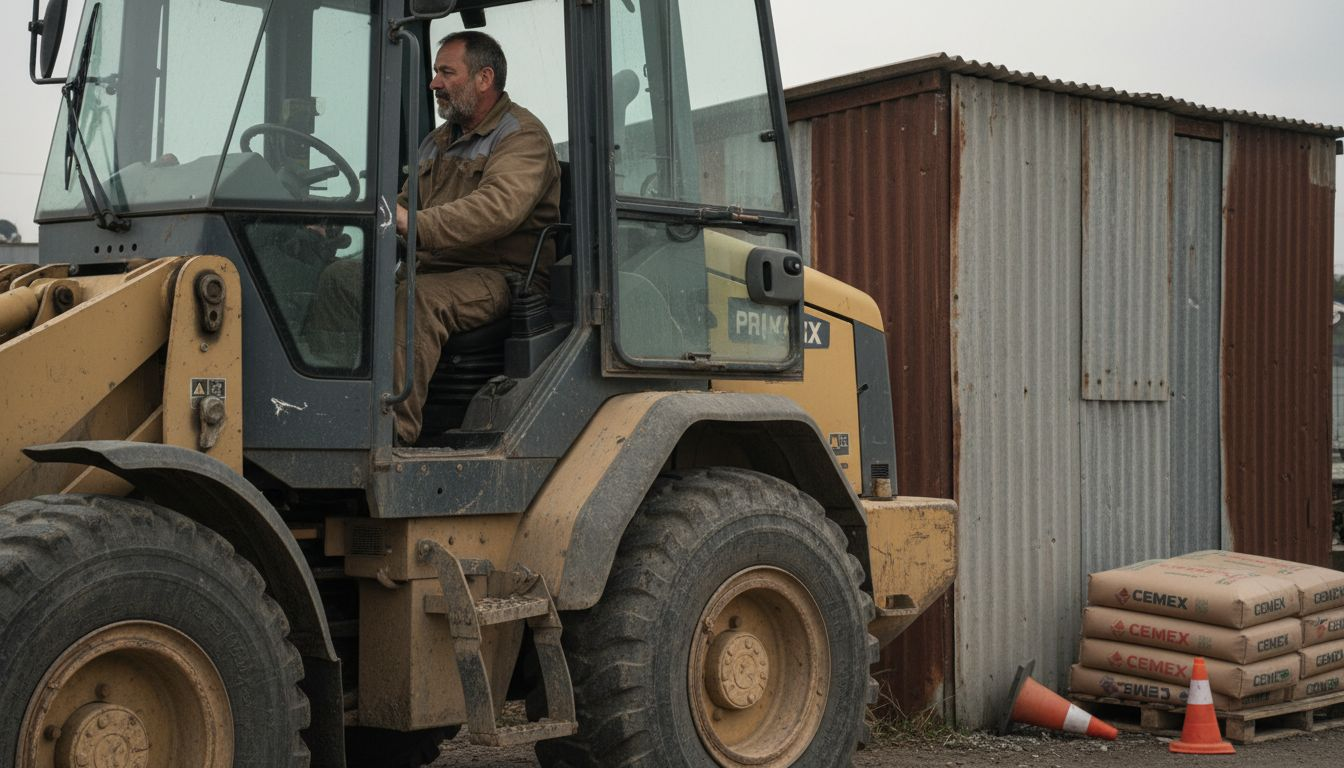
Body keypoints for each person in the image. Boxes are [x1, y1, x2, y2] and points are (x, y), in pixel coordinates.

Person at [305, 31, 561, 444]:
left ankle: (388, 436)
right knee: (341, 280)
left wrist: (415, 225)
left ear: (484, 78)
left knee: (418, 299)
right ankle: (324, 413)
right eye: (436, 72)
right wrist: (341, 223)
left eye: (447, 72)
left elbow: (499, 207)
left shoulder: (521, 136)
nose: (434, 83)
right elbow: (402, 205)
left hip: (499, 275)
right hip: (430, 269)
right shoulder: (437, 142)